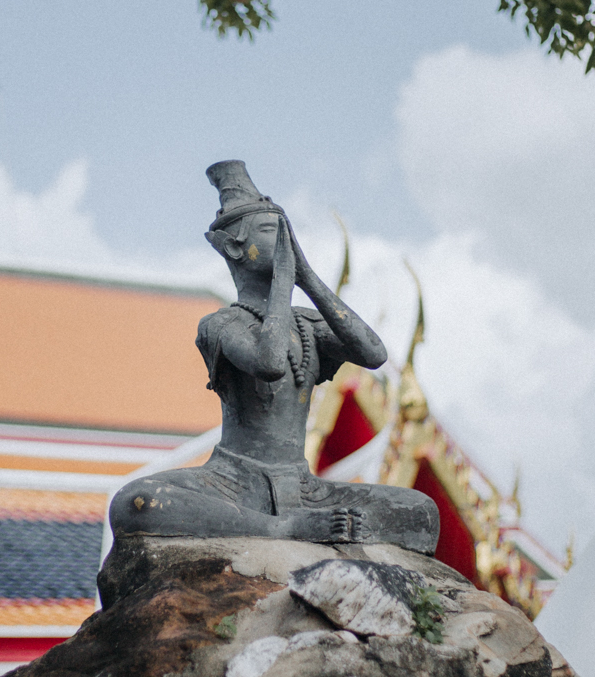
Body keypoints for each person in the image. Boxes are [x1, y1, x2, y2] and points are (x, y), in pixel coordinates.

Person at [110, 161, 439, 553]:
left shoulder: (307, 325)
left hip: (303, 486)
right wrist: (283, 279)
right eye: (271, 232)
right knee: (137, 503)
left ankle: (296, 521)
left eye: (287, 233)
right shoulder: (221, 325)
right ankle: (280, 530)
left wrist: (309, 277)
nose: (285, 241)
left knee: (421, 511)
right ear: (235, 246)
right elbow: (268, 363)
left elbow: (374, 353)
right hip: (230, 483)